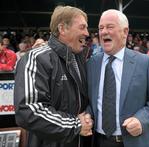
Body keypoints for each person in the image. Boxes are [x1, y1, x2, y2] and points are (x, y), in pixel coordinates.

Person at [14, 5, 93, 147]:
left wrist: (87, 117)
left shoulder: (80, 59)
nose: (87, 33)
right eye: (82, 27)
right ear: (62, 29)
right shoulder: (36, 58)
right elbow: (29, 111)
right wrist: (75, 125)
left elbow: (84, 102)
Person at [86, 9, 149, 147]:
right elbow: (88, 100)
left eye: (110, 27)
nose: (104, 32)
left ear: (125, 32)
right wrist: (86, 115)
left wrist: (141, 120)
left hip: (135, 142)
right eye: (101, 28)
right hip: (99, 141)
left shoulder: (144, 62)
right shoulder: (91, 64)